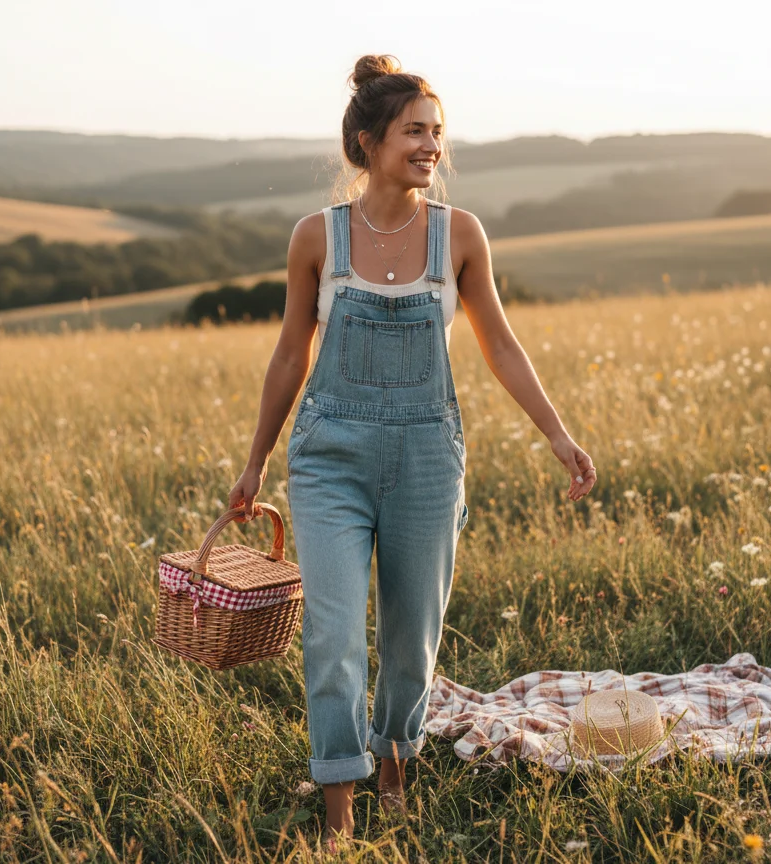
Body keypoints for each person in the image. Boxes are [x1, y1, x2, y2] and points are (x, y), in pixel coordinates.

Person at [227, 53, 597, 853]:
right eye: (413, 132)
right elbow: (290, 354)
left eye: (437, 132)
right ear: (369, 142)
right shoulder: (316, 237)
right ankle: (339, 805)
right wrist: (254, 461)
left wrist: (558, 434)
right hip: (329, 458)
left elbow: (500, 344)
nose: (431, 145)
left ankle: (394, 764)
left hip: (428, 457)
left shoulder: (459, 234)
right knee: (331, 636)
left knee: (411, 639)